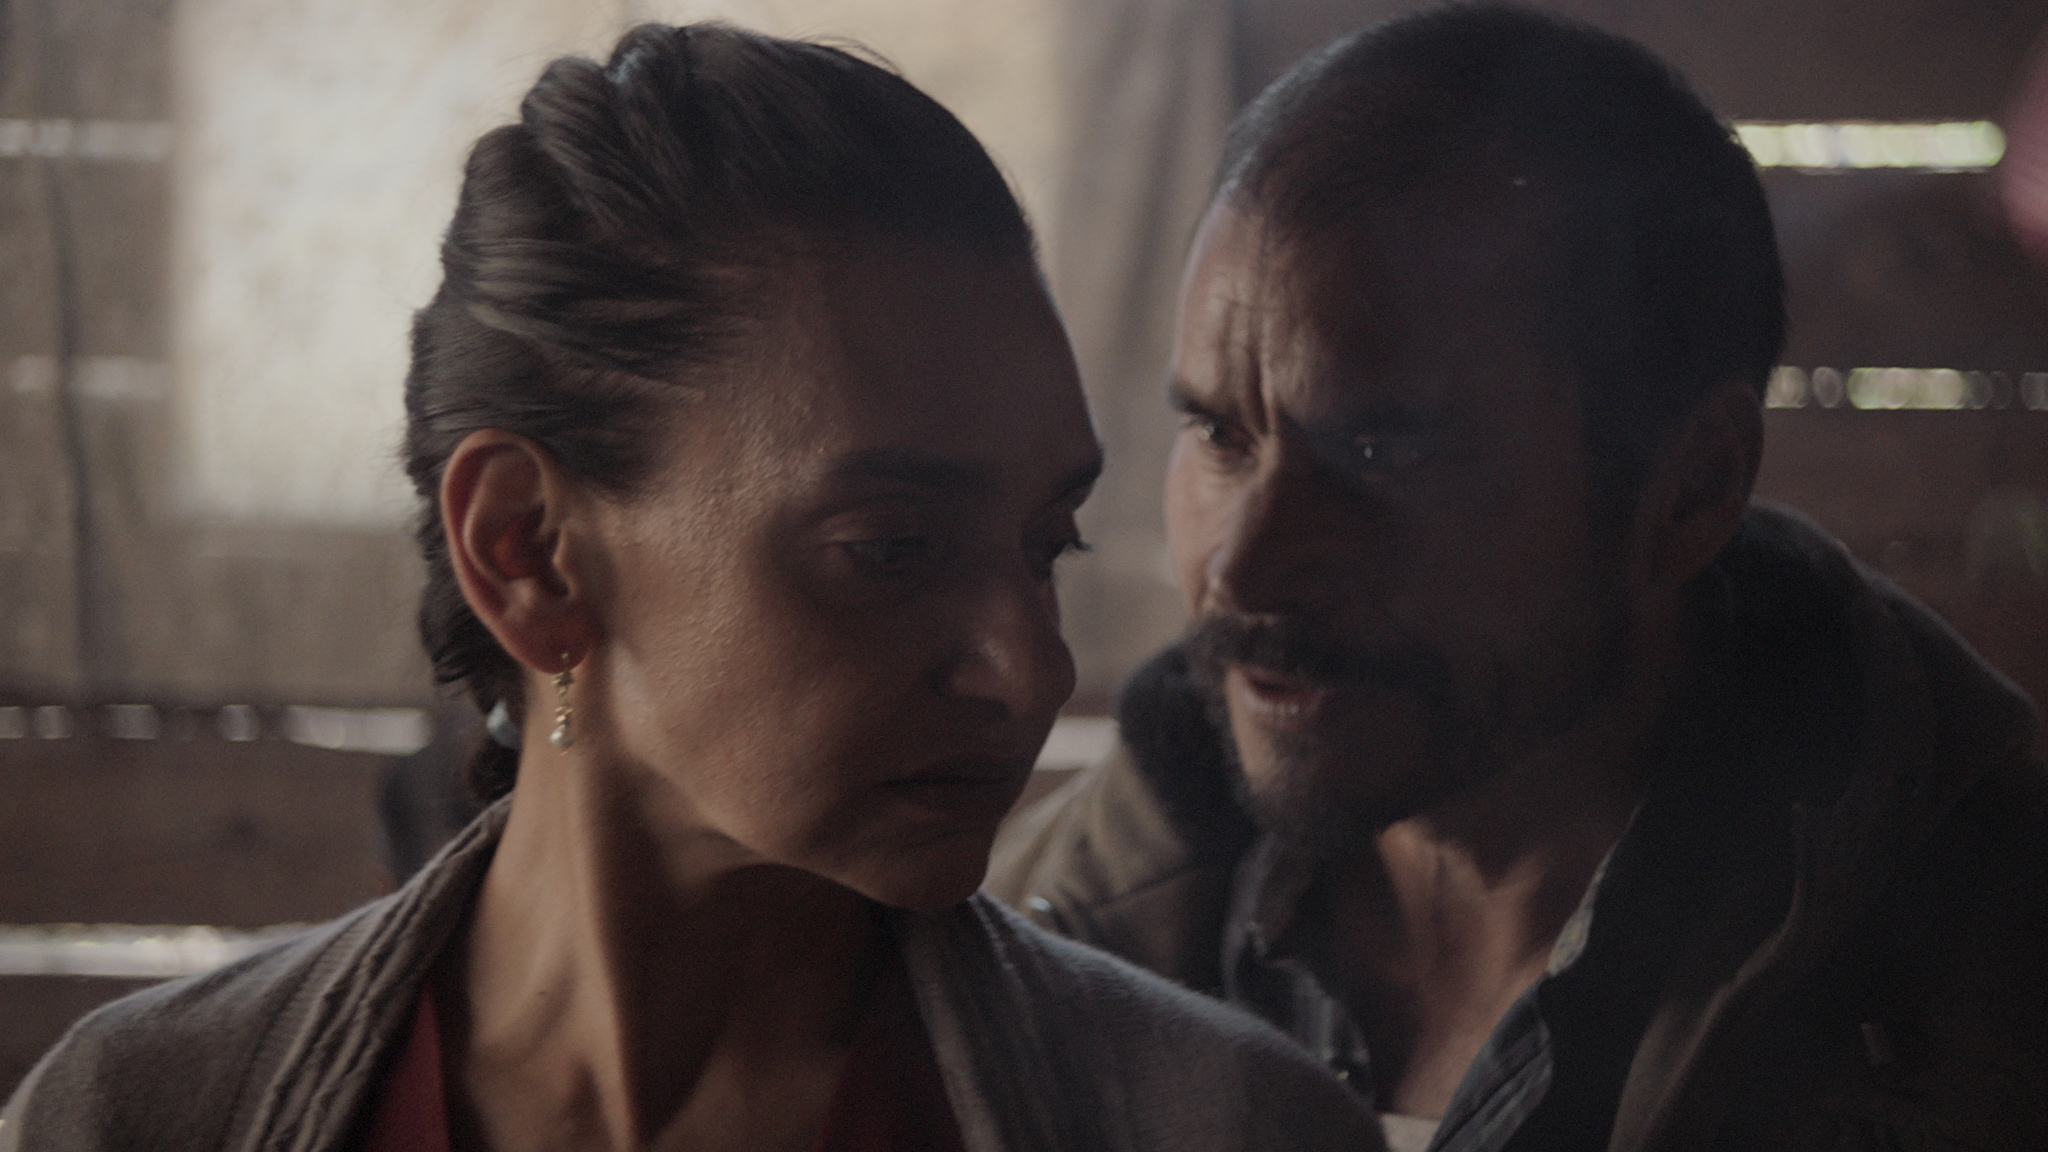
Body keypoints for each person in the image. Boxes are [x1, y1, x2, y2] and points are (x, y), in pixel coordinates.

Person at [0, 24, 1382, 1152]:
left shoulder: (1223, 1128)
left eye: (1045, 545)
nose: (1030, 670)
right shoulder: (141, 1116)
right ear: (530, 551)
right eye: (890, 549)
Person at [990, 7, 2048, 1151]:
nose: (1243, 565)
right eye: (1217, 433)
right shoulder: (1039, 935)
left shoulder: (1985, 996)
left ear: (1690, 488)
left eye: (1381, 450)